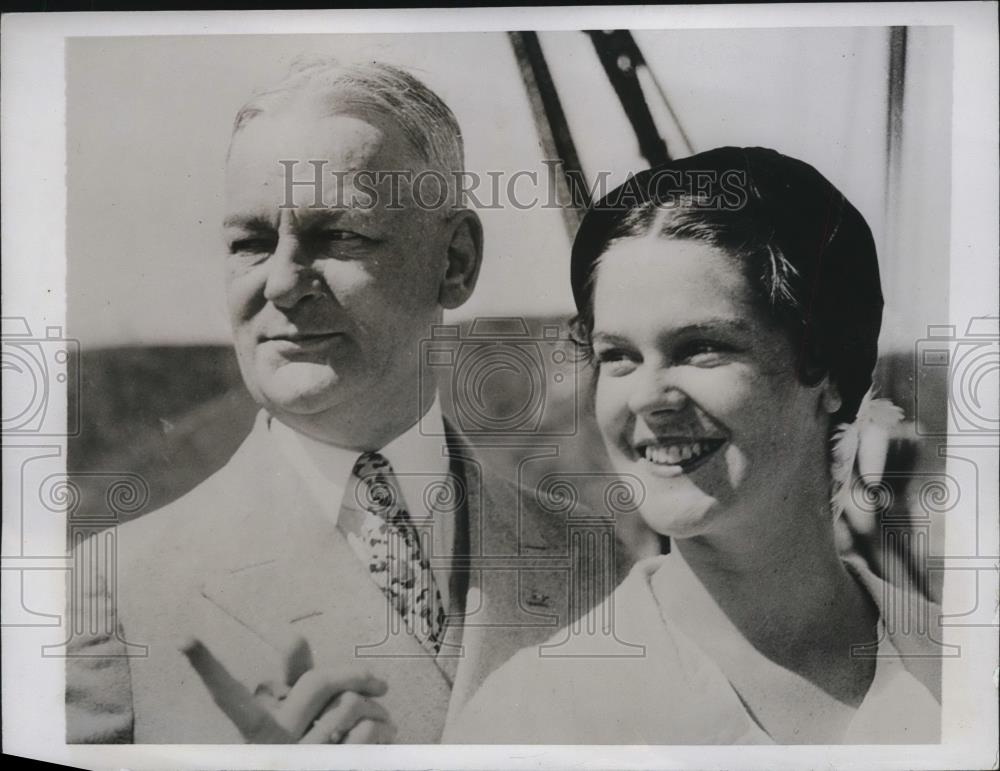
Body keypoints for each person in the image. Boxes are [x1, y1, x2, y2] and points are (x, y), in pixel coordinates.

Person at [65, 58, 628, 744]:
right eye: (251, 242)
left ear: (455, 262)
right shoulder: (120, 593)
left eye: (340, 236)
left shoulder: (600, 563)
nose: (281, 283)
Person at [446, 147, 942, 744]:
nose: (650, 398)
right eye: (617, 357)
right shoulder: (531, 721)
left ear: (827, 367)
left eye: (701, 347)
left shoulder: (963, 675)